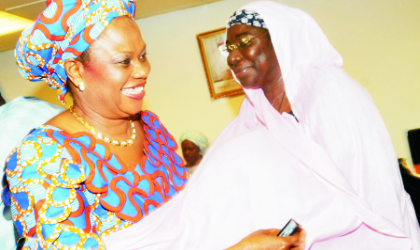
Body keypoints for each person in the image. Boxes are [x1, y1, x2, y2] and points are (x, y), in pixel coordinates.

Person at [103, 1, 420, 249]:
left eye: (244, 42)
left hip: (361, 235)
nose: (233, 57)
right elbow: (223, 183)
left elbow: (364, 184)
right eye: (229, 49)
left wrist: (305, 232)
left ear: (280, 40)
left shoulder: (327, 87)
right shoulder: (255, 106)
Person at [3, 0, 303, 249]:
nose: (143, 70)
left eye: (143, 55)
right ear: (76, 71)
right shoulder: (42, 158)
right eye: (124, 61)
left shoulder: (150, 128)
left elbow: (191, 227)